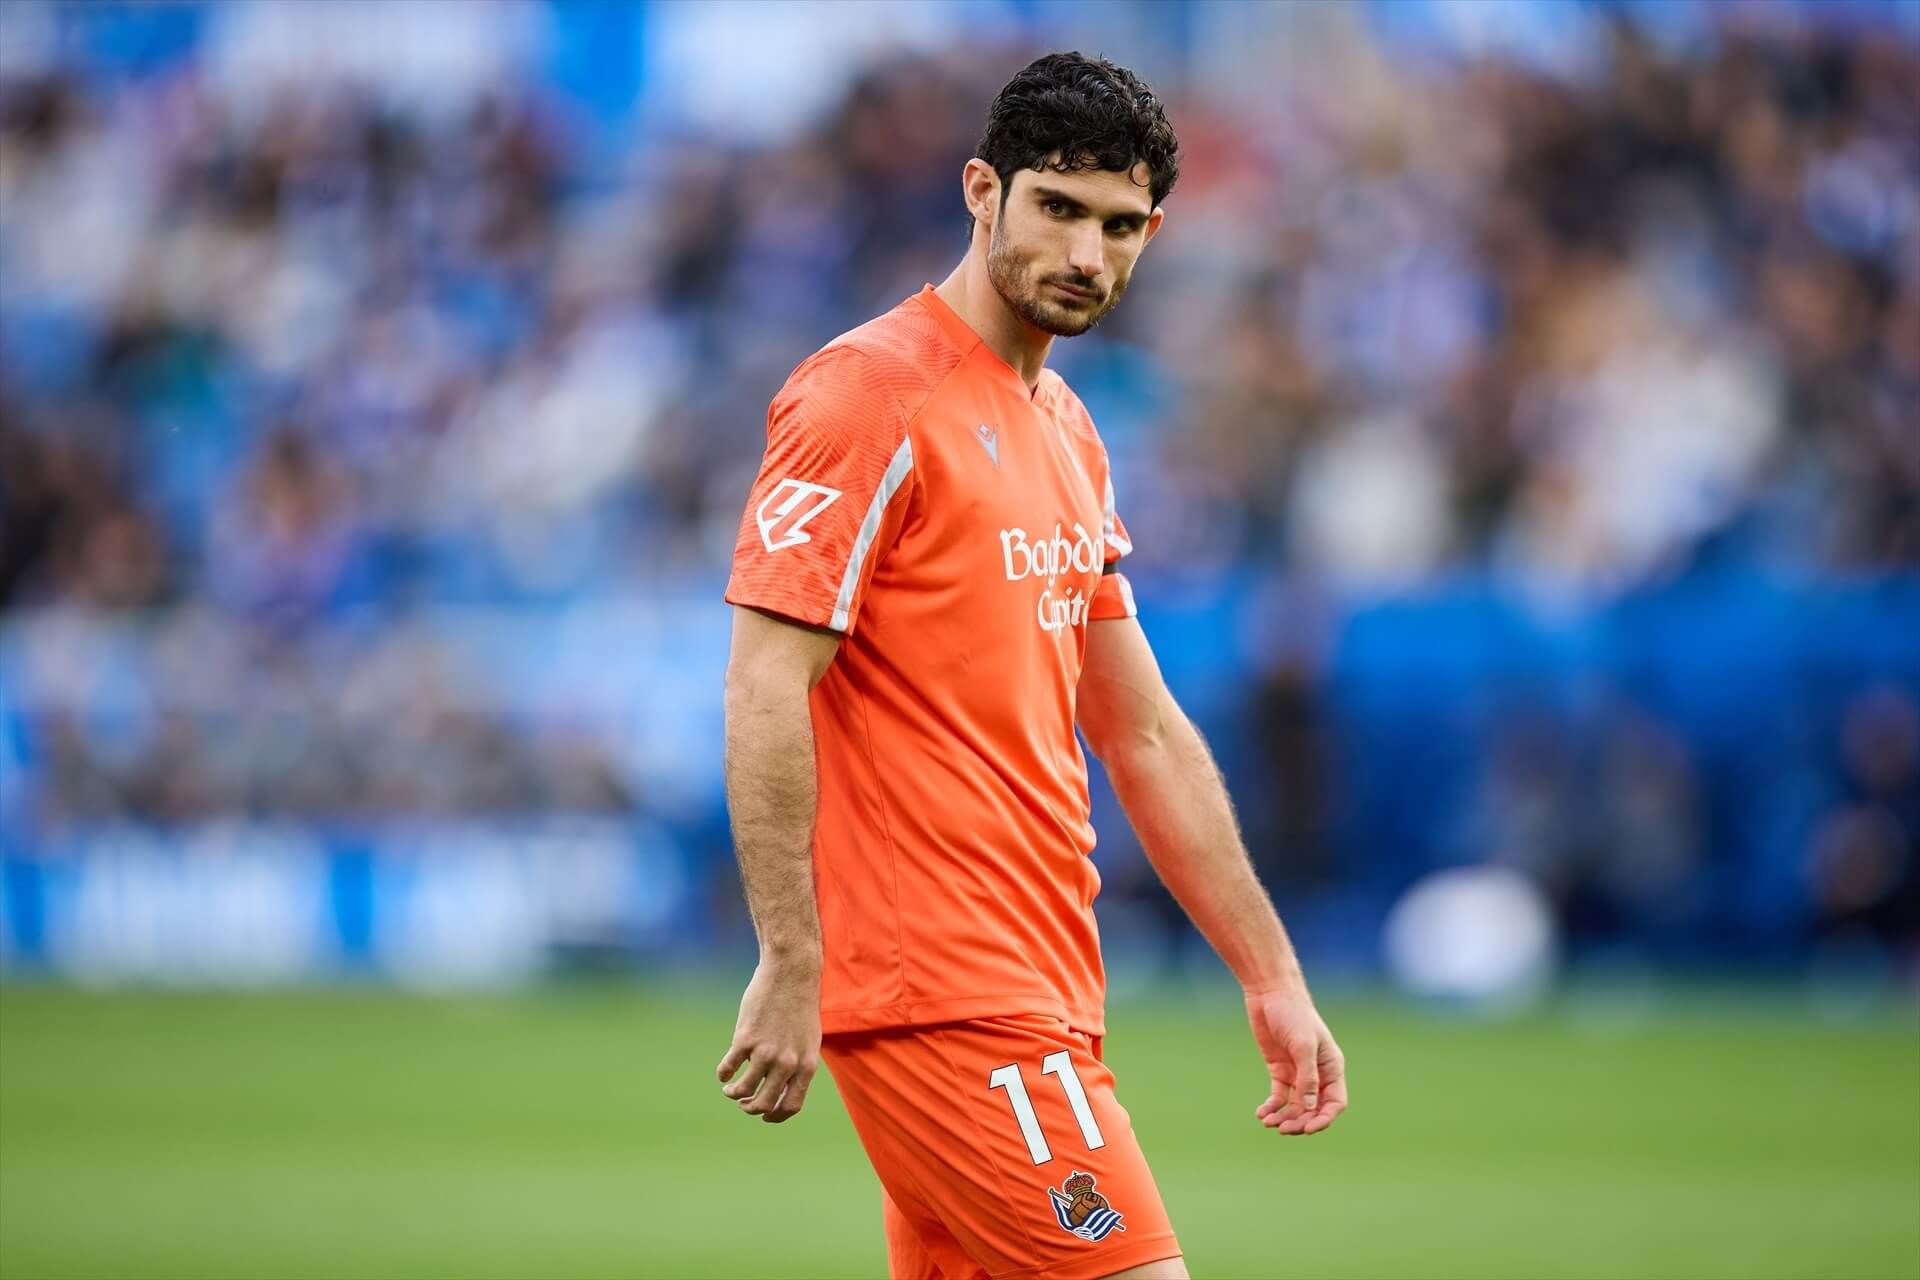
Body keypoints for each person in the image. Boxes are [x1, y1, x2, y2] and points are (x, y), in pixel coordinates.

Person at [717, 51, 1348, 1280]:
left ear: (1154, 231)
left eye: (1119, 226)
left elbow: (1141, 729)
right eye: (1056, 207)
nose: (1085, 254)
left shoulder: (1066, 428)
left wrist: (1269, 971)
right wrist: (792, 956)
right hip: (947, 996)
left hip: (1046, 980)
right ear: (980, 191)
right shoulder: (866, 396)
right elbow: (762, 678)